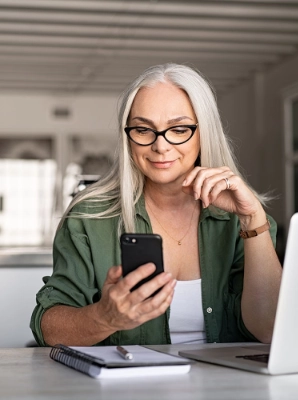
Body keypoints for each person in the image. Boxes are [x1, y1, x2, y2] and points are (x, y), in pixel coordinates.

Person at [30, 63, 282, 347]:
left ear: (204, 132)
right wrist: (104, 317)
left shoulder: (244, 221)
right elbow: (48, 328)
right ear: (128, 137)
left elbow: (270, 329)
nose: (160, 146)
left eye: (178, 129)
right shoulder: (89, 217)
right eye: (143, 129)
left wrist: (253, 220)